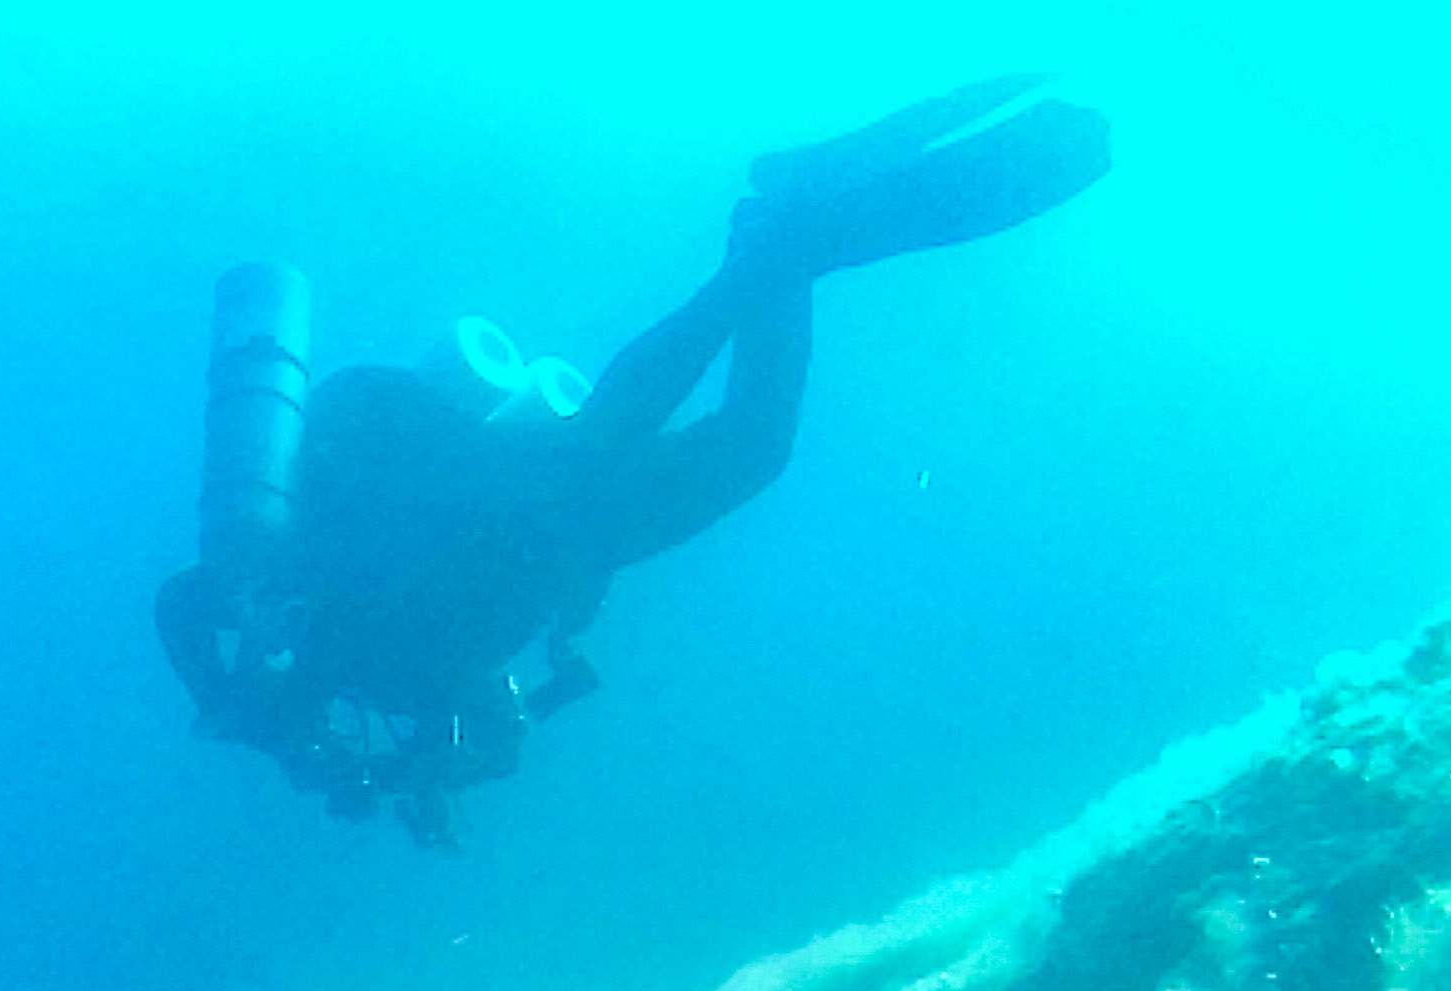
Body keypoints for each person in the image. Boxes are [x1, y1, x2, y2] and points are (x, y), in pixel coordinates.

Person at [157, 77, 1113, 847]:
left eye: (320, 751)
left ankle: (769, 244)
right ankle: (780, 240)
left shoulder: (276, 611)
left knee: (605, 432)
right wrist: (433, 771)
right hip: (566, 545)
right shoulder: (408, 695)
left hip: (479, 495)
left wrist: (231, 705)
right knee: (753, 451)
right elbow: (497, 724)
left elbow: (182, 599)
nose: (328, 757)